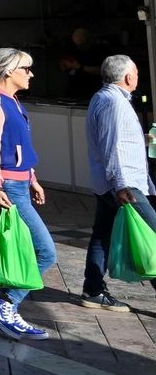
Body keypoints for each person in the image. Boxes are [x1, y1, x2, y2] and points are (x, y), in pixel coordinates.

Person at [0, 48, 55, 340]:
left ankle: (4, 303)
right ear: (9, 71)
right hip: (7, 186)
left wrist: (32, 178)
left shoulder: (14, 101)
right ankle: (3, 303)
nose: (31, 74)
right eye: (26, 68)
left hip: (18, 183)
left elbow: (18, 144)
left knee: (36, 250)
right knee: (45, 251)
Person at [80, 54, 156, 311]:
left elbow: (116, 140)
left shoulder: (105, 98)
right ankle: (92, 288)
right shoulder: (114, 102)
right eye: (136, 71)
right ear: (128, 76)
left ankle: (92, 288)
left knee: (102, 236)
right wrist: (120, 184)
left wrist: (144, 139)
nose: (137, 76)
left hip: (111, 182)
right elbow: (111, 147)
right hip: (124, 184)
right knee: (152, 234)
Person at [61, 27, 107, 102]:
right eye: (77, 45)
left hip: (90, 91)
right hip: (73, 91)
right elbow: (63, 67)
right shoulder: (73, 50)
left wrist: (81, 67)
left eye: (82, 45)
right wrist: (65, 65)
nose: (79, 47)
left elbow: (102, 71)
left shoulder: (98, 51)